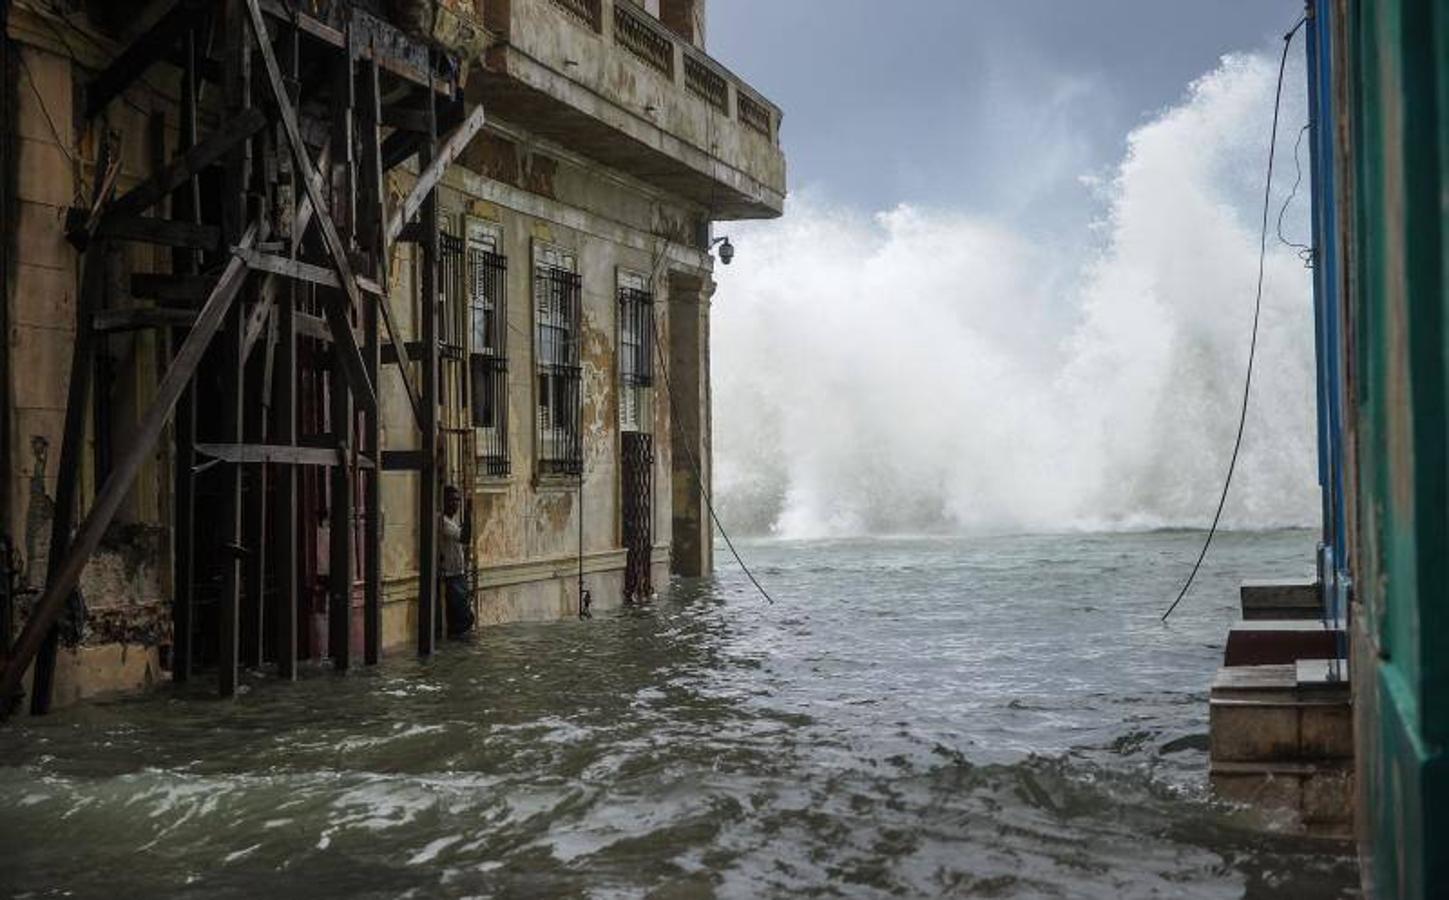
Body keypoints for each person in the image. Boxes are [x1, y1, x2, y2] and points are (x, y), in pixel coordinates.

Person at [440, 485, 475, 637]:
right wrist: (468, 513)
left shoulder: (451, 521)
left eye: (457, 501)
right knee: (461, 620)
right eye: (451, 500)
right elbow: (465, 537)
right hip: (451, 576)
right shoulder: (443, 522)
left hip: (458, 575)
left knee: (465, 618)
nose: (455, 504)